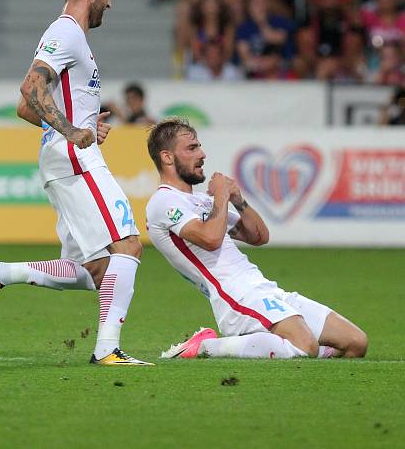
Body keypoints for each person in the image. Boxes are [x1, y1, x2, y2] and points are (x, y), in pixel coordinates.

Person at [0, 0, 151, 366]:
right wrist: (72, 132)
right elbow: (30, 88)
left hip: (64, 157)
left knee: (92, 270)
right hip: (75, 158)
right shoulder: (66, 32)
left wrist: (79, 124)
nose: (109, 2)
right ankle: (107, 351)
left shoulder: (69, 37)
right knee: (128, 245)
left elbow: (24, 107)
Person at [144, 118, 368, 359]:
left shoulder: (202, 202)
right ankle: (205, 347)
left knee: (355, 343)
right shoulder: (163, 202)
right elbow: (210, 239)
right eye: (192, 148)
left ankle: (285, 352)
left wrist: (238, 200)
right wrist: (221, 196)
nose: (202, 154)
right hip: (234, 296)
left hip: (263, 287)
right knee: (305, 346)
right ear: (167, 157)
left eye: (199, 146)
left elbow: (259, 236)